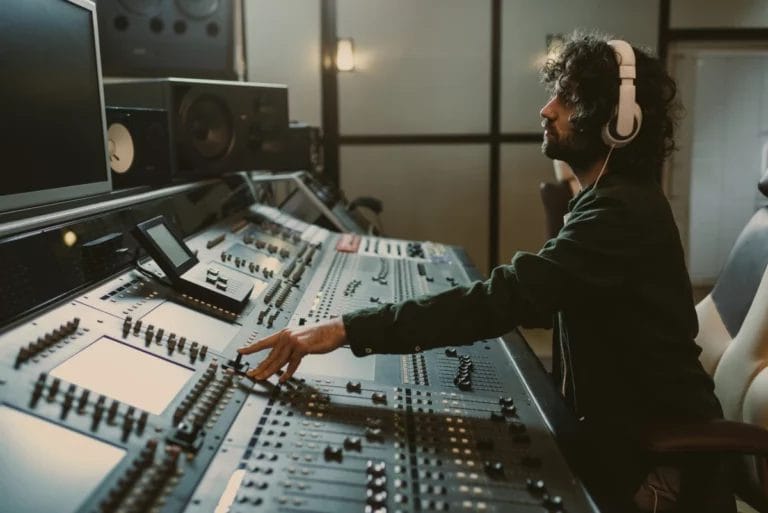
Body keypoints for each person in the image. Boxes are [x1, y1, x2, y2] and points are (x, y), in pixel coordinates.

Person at [238, 32, 726, 512]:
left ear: (619, 122)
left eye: (567, 98)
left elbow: (506, 299)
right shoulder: (611, 199)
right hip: (617, 432)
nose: (546, 109)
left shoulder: (622, 212)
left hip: (656, 469)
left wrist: (343, 329)